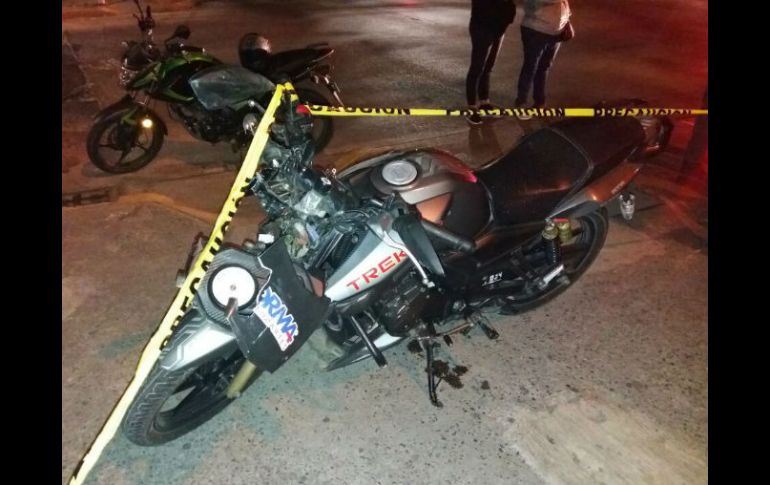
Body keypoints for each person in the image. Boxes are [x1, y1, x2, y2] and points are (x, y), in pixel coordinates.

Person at [514, 0, 571, 115]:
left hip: (556, 32)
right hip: (536, 29)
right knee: (530, 67)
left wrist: (567, 16)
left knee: (544, 67)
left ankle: (539, 101)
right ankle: (521, 103)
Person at [465, 0, 517, 125]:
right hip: (483, 26)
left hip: (499, 27)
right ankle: (472, 107)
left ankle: (484, 102)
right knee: (477, 67)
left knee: (488, 67)